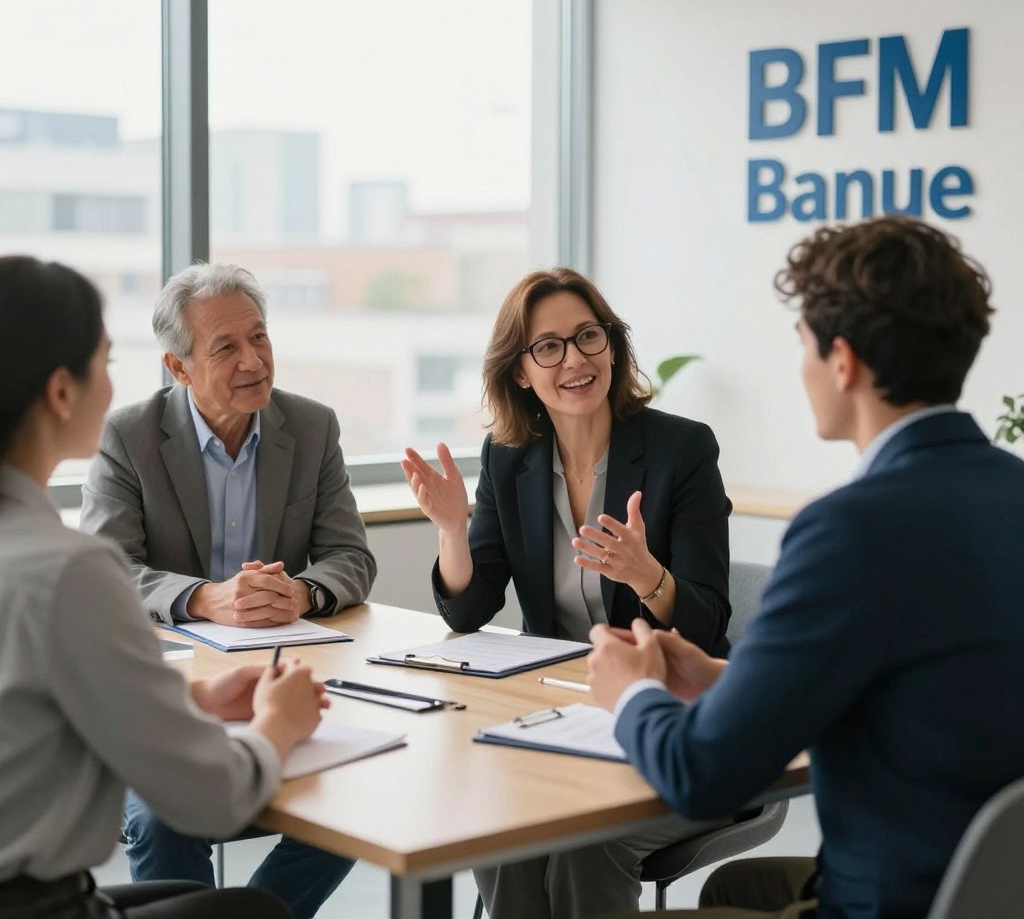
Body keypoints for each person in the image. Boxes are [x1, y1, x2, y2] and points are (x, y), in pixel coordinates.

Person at [588, 216, 1024, 919]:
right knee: (738, 890)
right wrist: (728, 682)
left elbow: (702, 778)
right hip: (994, 886)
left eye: (804, 347)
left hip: (899, 898)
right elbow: (925, 690)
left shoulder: (849, 530)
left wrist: (630, 694)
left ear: (843, 362)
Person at [0, 256, 329, 919]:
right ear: (63, 392)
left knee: (186, 896)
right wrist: (279, 724)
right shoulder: (69, 567)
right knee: (252, 912)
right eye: (106, 359)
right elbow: (212, 798)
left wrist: (194, 694)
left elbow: (32, 695)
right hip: (42, 904)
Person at [402, 267, 733, 919]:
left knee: (582, 844)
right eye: (548, 346)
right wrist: (453, 531)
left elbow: (708, 623)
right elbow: (471, 610)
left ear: (611, 344)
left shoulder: (680, 451)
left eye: (588, 336)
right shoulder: (509, 457)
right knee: (501, 831)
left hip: (662, 717)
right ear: (521, 371)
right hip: (557, 717)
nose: (575, 359)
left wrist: (649, 578)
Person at [79, 263, 374, 917]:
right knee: (163, 820)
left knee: (366, 796)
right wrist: (203, 598)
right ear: (179, 368)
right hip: (175, 694)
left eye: (260, 338)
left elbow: (351, 557)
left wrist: (301, 593)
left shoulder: (313, 426)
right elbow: (107, 570)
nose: (254, 361)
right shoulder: (129, 437)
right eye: (226, 348)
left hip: (283, 680)